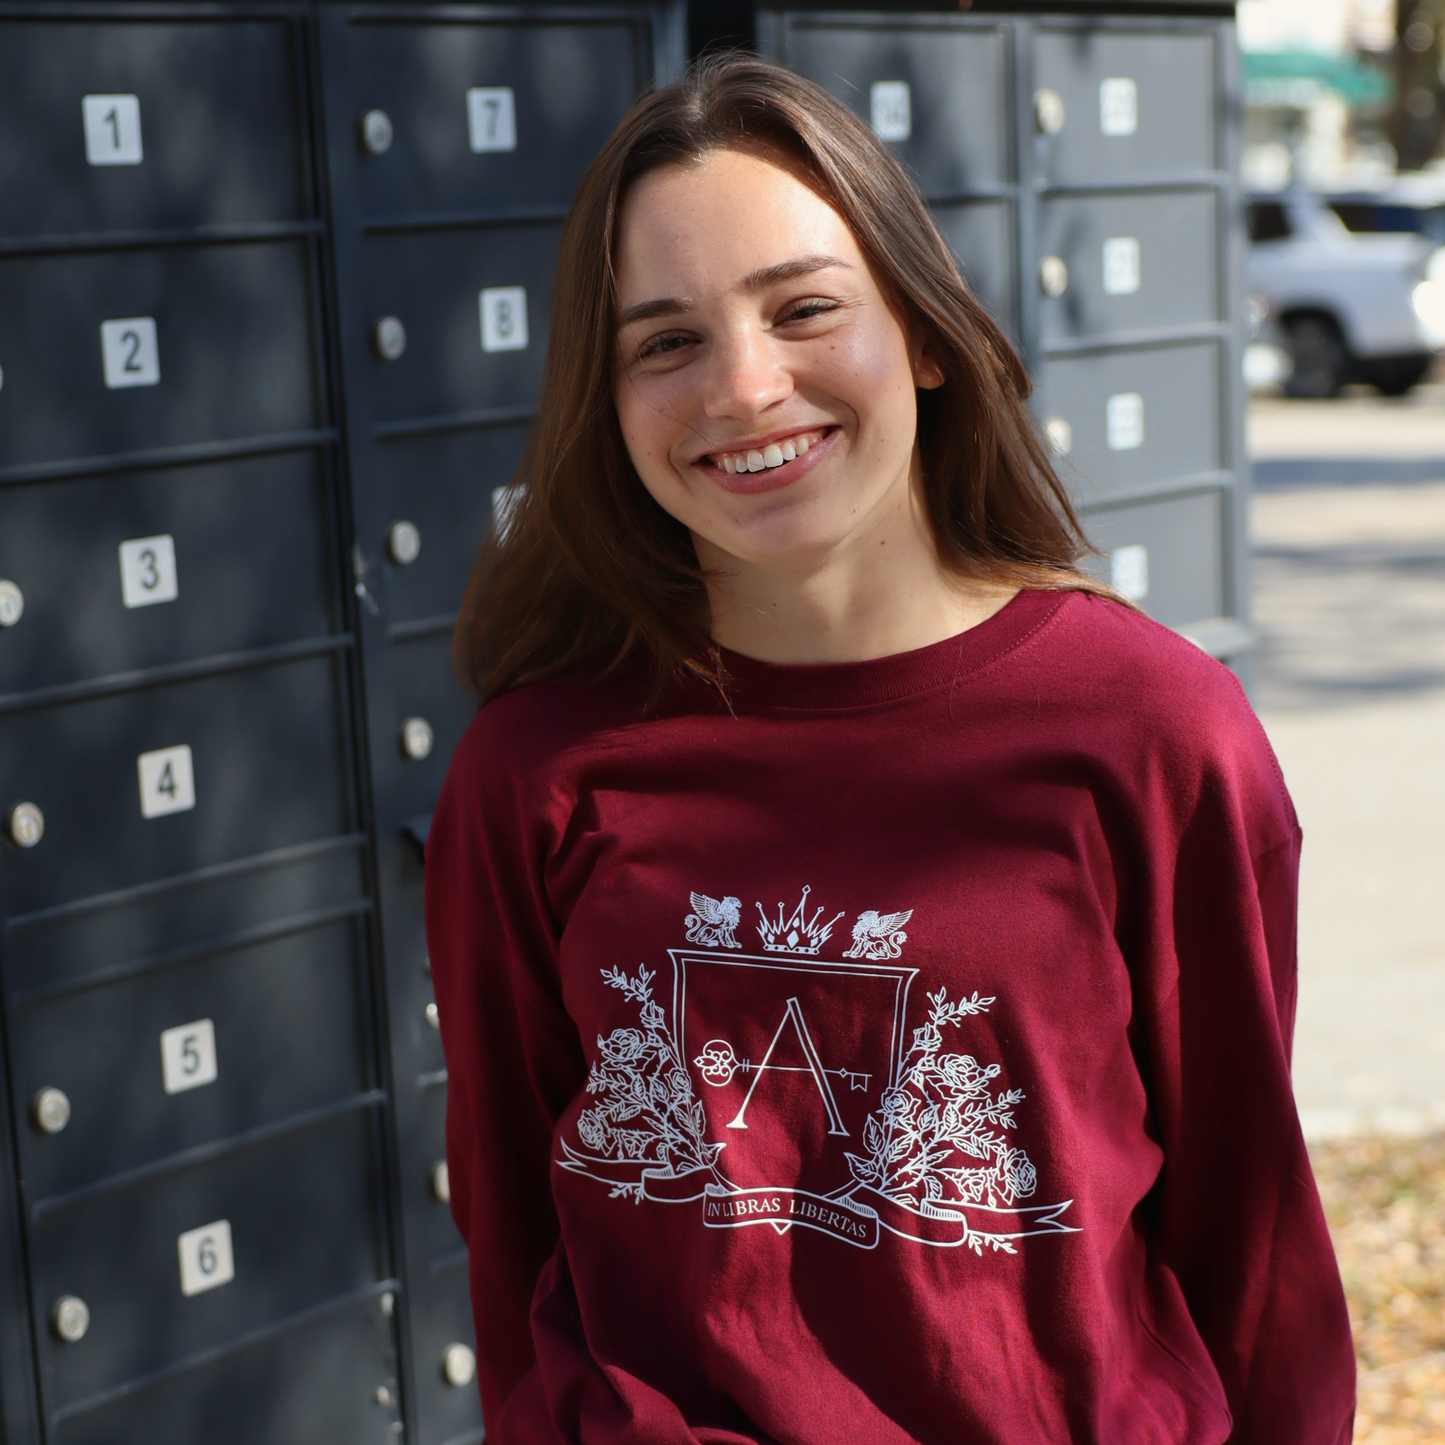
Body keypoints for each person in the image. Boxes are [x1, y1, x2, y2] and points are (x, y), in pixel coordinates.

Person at [425, 54, 1355, 1445]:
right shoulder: (536, 772)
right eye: (664, 342)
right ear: (608, 402)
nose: (744, 388)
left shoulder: (1153, 731)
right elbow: (511, 1239)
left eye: (803, 309)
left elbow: (1253, 1237)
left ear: (923, 332)